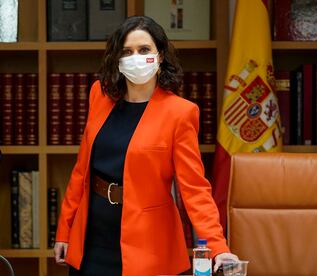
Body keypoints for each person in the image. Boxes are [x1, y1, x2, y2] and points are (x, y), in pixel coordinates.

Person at [53, 16, 239, 276]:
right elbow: (81, 171)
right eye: (127, 52)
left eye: (144, 50)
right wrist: (65, 229)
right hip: (92, 234)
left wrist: (218, 247)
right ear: (117, 59)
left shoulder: (180, 113)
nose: (135, 58)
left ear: (160, 56)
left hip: (147, 243)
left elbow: (194, 189)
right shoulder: (100, 95)